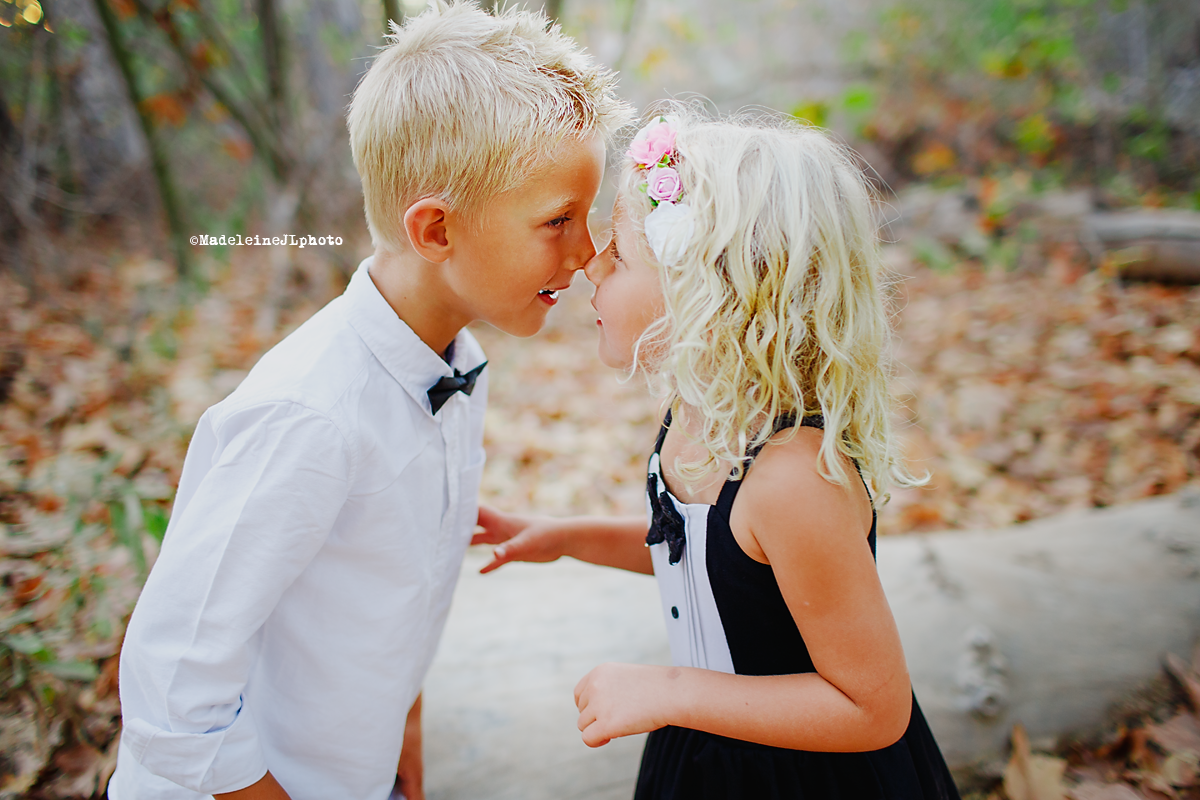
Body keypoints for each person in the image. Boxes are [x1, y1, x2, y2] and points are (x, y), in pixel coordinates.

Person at [109, 3, 630, 799]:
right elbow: (172, 685)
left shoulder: (455, 363)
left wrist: (402, 735)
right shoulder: (307, 416)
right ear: (434, 231)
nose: (588, 252)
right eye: (558, 220)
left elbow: (403, 592)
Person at [473, 108, 962, 799]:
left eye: (620, 254)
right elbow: (716, 566)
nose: (589, 266)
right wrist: (565, 537)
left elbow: (873, 707)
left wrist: (671, 689)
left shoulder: (792, 480)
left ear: (712, 292)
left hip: (806, 775)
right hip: (708, 753)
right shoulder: (697, 419)